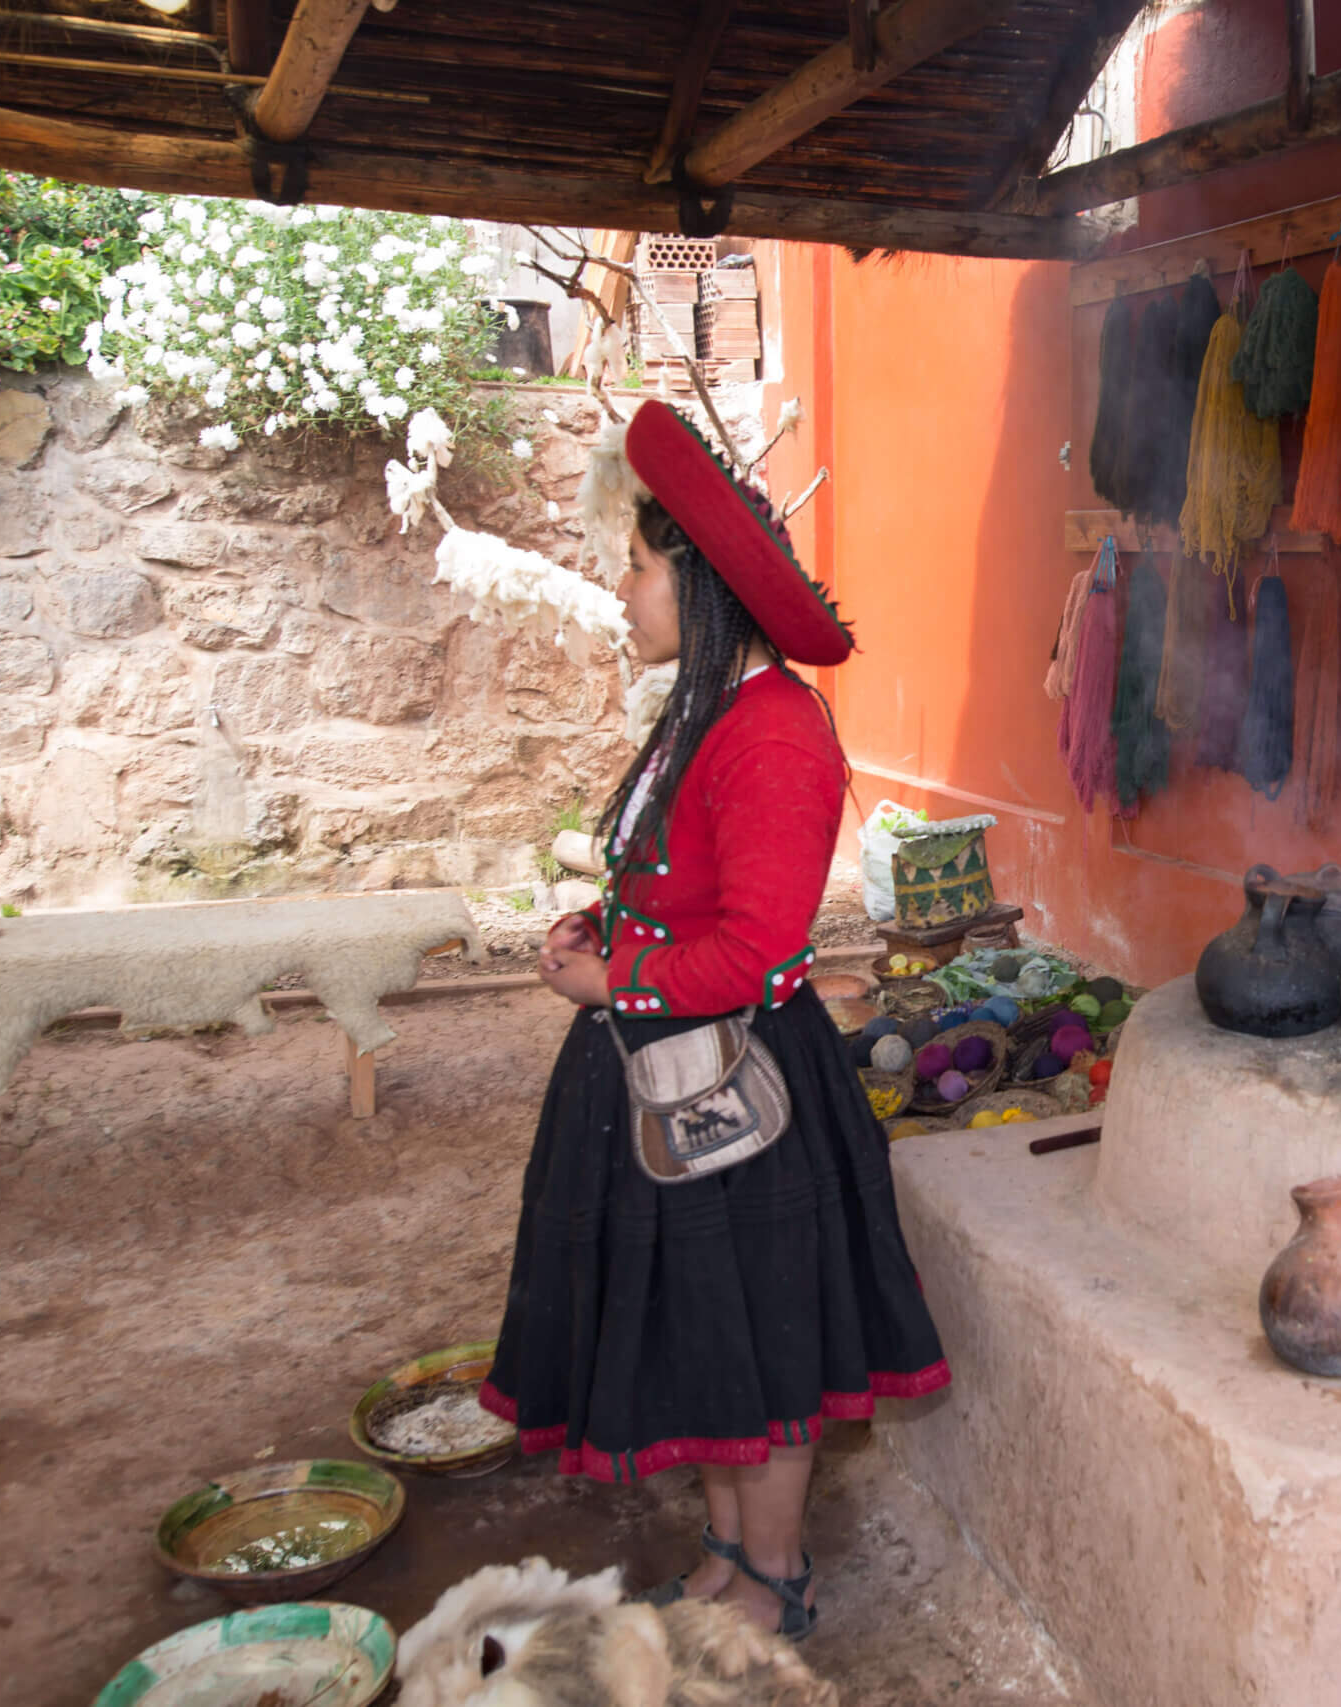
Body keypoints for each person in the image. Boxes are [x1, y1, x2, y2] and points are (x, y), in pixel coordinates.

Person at [480, 402, 949, 1638]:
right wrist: (606, 926)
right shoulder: (700, 719)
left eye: (634, 570)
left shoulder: (777, 734)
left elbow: (754, 949)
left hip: (736, 1088)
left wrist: (616, 983)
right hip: (662, 1077)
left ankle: (775, 1581)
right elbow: (678, 883)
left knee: (757, 1341)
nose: (621, 593)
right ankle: (725, 1562)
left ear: (693, 585)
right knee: (707, 1334)